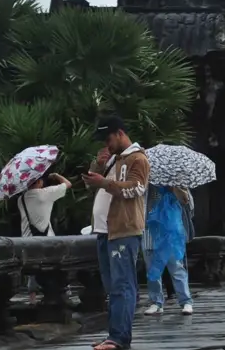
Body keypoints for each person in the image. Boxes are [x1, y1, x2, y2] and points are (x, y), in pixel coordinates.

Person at [83, 115, 150, 350]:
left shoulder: (138, 158)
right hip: (105, 231)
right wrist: (97, 167)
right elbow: (91, 185)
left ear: (120, 134)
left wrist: (103, 182)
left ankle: (119, 338)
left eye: (108, 139)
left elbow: (135, 189)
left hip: (124, 230)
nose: (106, 144)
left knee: (122, 285)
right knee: (112, 287)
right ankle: (114, 335)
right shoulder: (112, 159)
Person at [18, 172, 72, 303]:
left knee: (33, 269)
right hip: (47, 241)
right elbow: (68, 184)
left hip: (28, 241)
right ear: (39, 182)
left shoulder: (21, 199)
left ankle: (32, 299)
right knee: (54, 269)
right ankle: (62, 294)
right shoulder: (45, 194)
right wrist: (56, 176)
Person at [143, 185, 194, 316]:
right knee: (152, 269)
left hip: (170, 233)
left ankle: (186, 301)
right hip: (149, 231)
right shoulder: (145, 185)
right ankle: (156, 302)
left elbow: (189, 206)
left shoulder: (177, 183)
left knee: (176, 267)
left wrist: (176, 189)